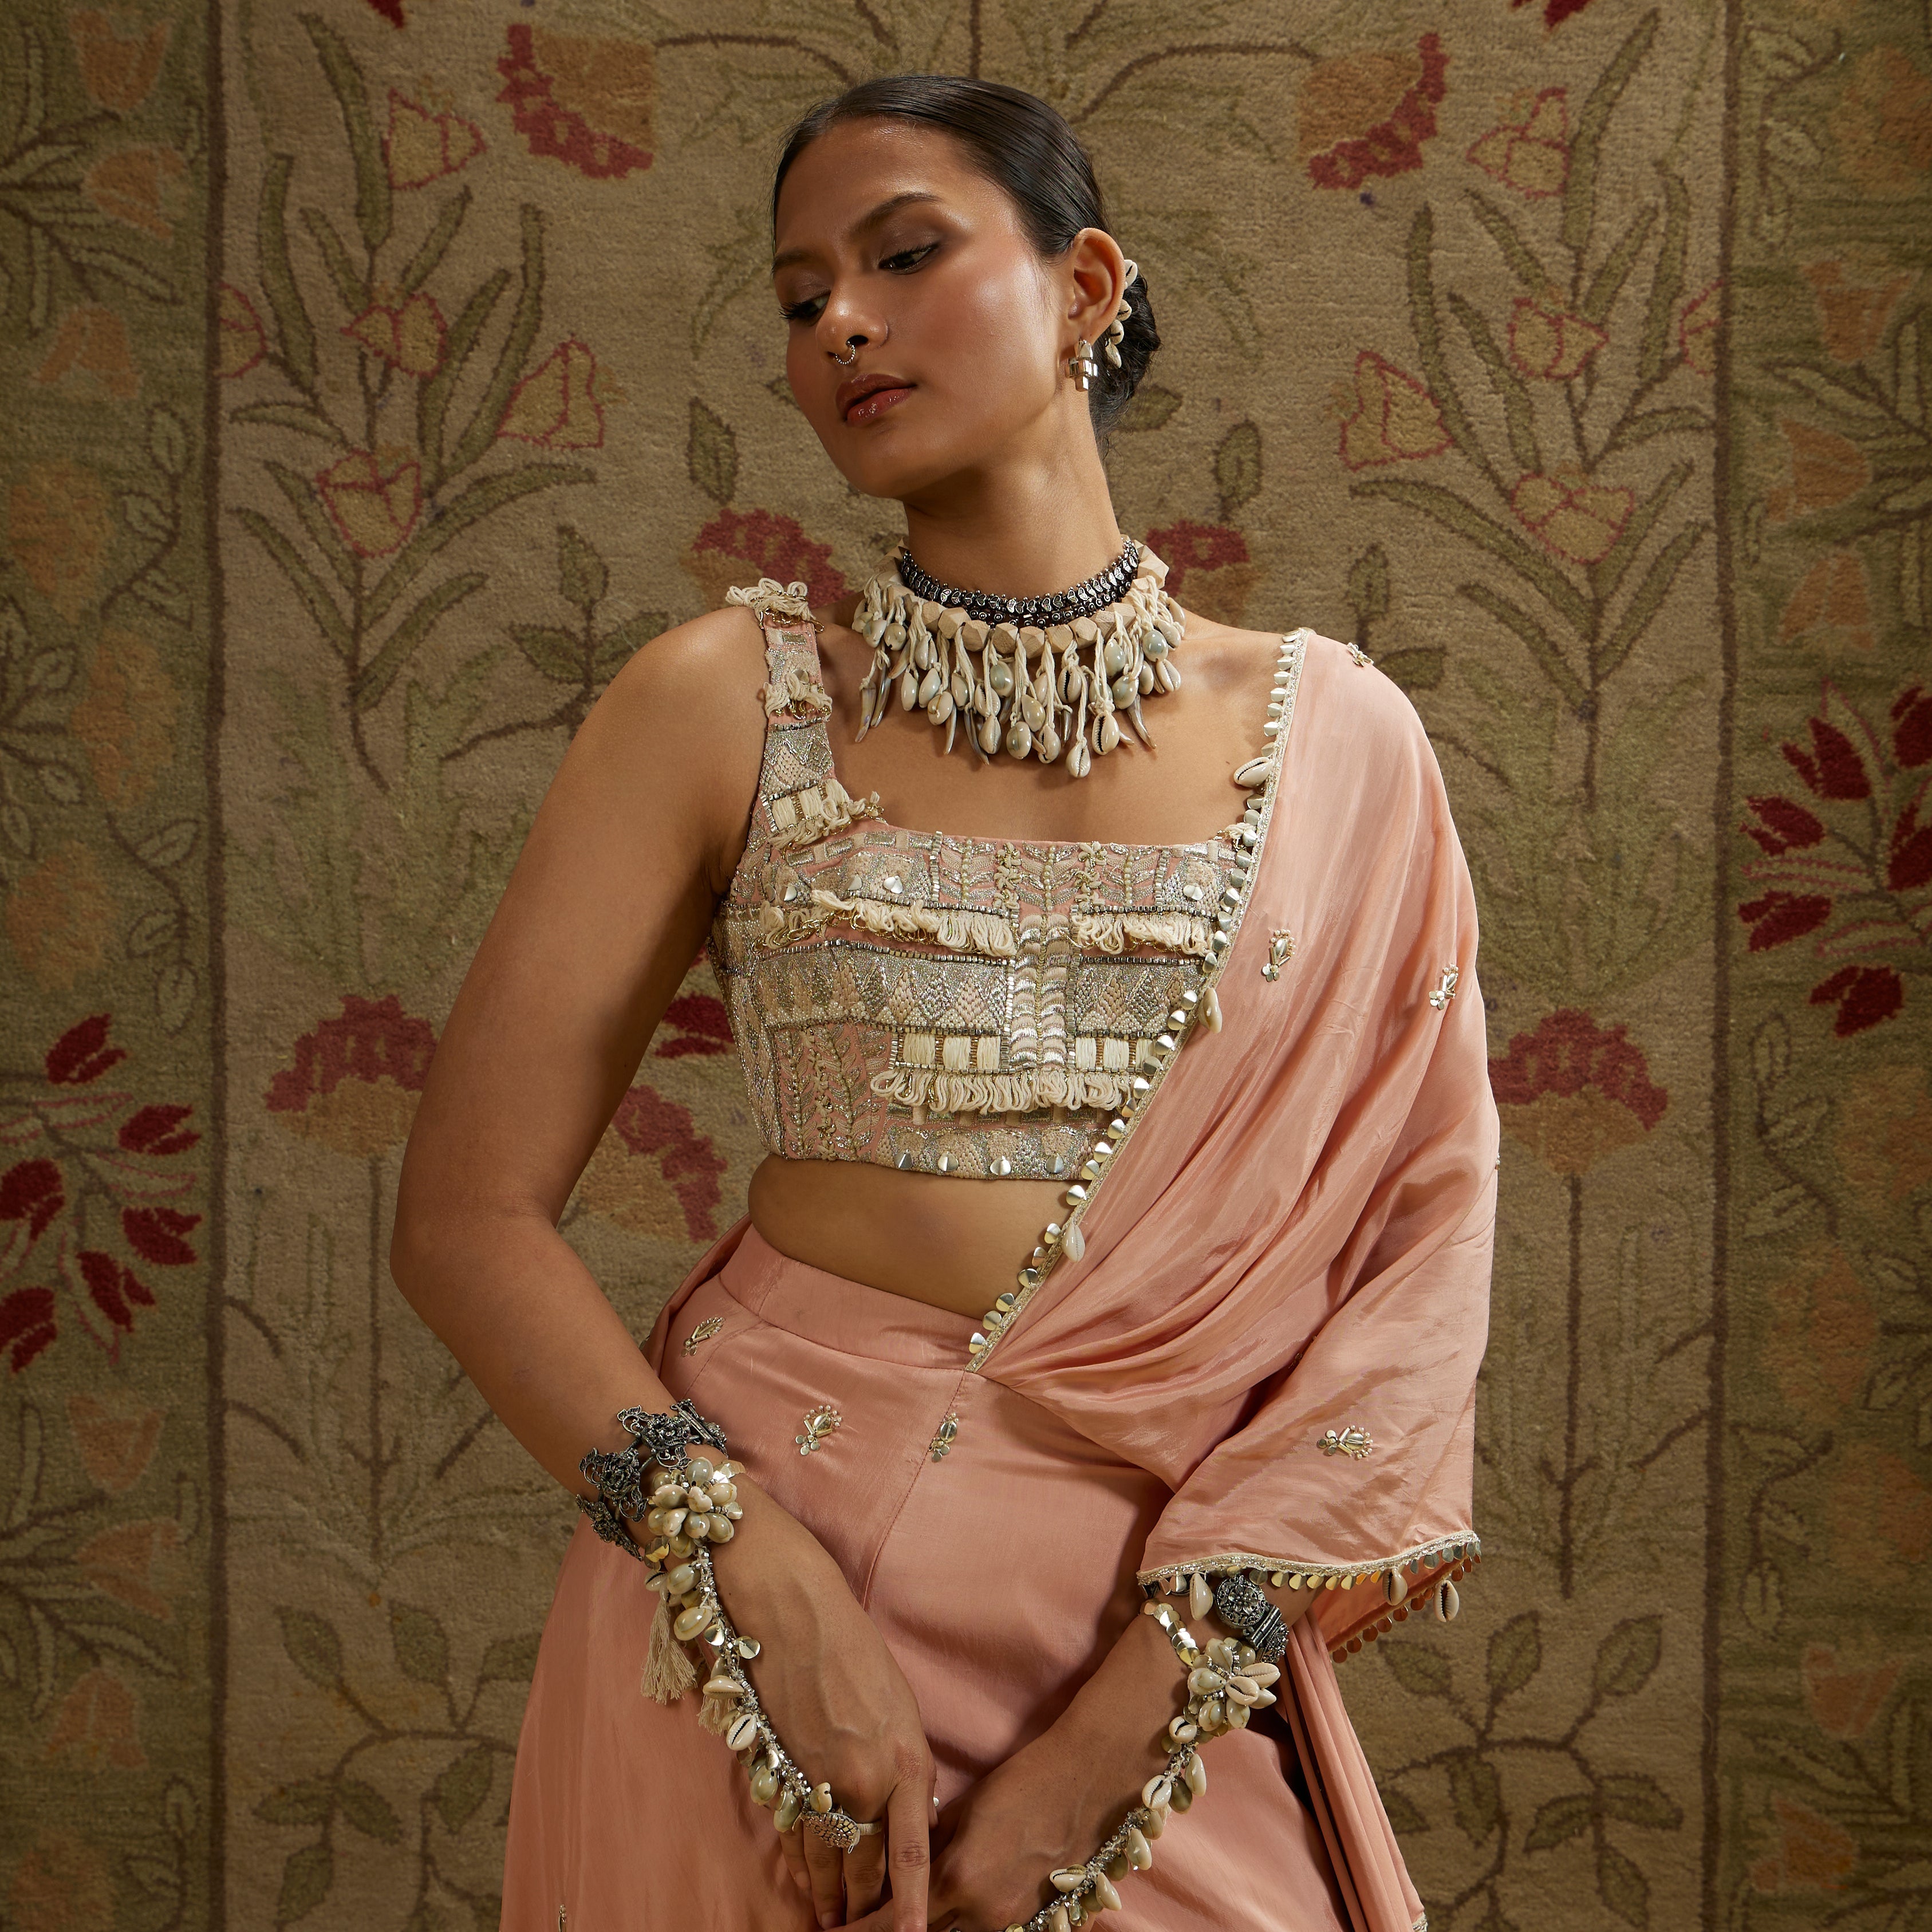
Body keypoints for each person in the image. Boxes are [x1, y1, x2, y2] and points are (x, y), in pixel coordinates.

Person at [391, 74, 1496, 1932]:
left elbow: (1406, 1292)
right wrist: (745, 1564)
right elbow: (464, 1215)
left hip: (1150, 1642)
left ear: (1086, 288)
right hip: (752, 1615)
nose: (838, 321)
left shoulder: (1341, 746)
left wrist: (1115, 1742)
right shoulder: (724, 702)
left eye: (905, 254)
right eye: (798, 292)